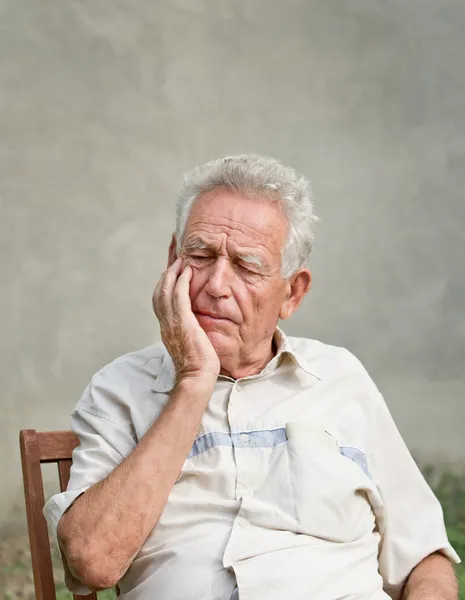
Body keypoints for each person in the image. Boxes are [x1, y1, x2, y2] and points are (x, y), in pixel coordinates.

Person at [44, 155, 460, 600]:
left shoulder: (340, 379)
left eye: (246, 266)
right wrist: (192, 383)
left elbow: (422, 556)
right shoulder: (121, 388)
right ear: (171, 260)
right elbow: (92, 561)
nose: (216, 285)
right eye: (200, 255)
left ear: (292, 293)